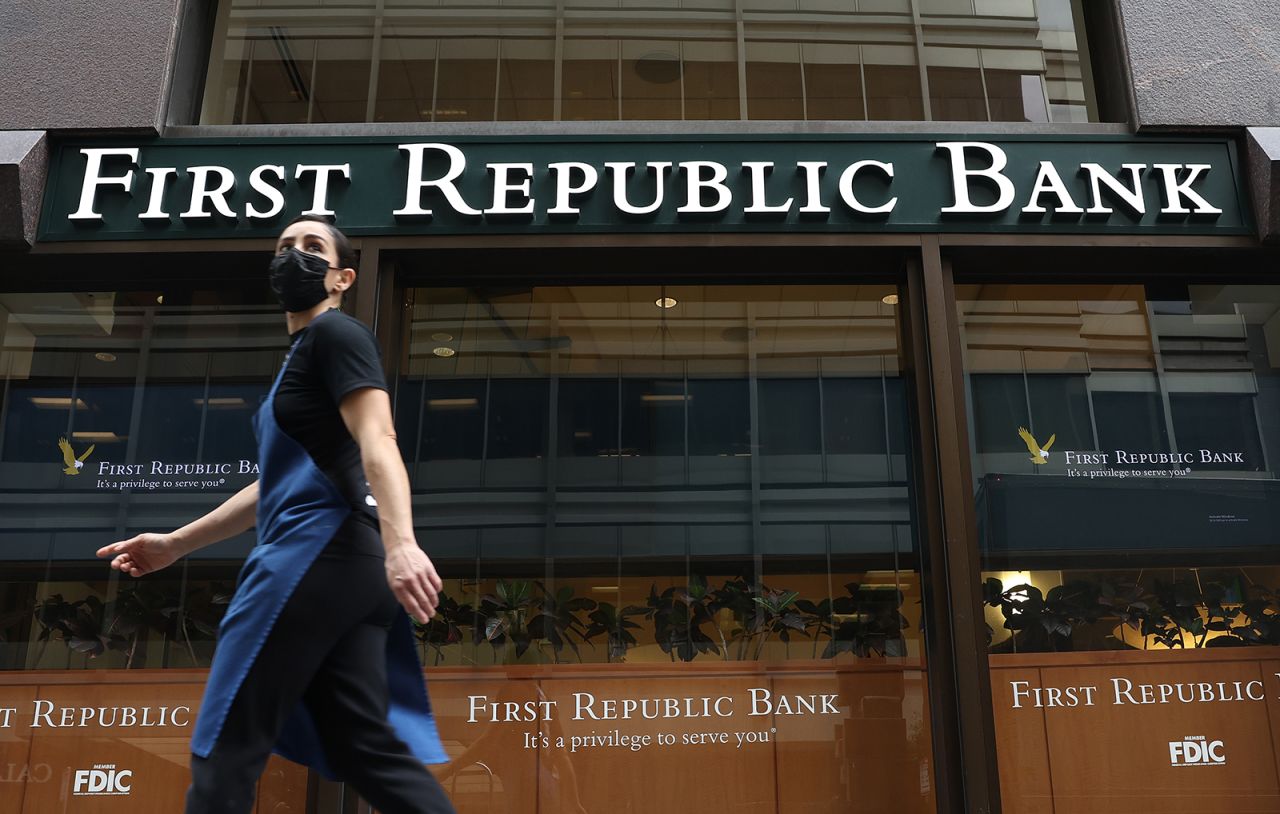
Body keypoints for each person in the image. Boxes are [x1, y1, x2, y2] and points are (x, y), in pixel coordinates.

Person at [97, 215, 457, 814]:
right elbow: (274, 486)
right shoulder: (299, 364)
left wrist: (403, 544)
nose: (294, 254)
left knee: (225, 745)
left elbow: (380, 439)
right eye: (285, 246)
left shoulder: (335, 338)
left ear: (343, 277)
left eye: (313, 247)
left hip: (314, 556)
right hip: (348, 569)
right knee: (369, 751)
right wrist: (176, 543)